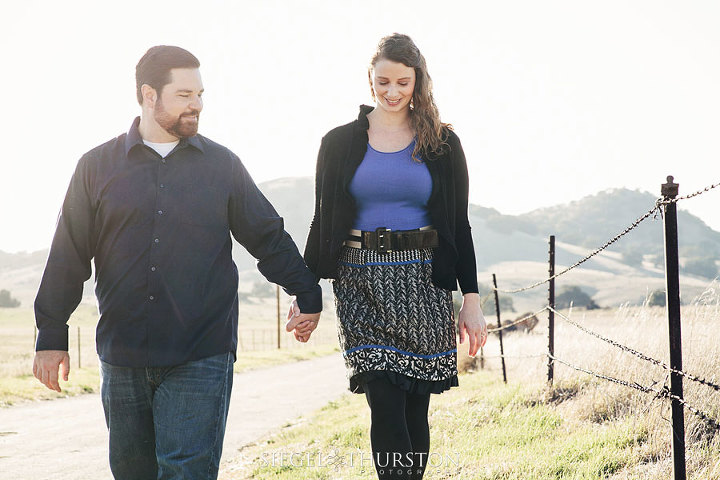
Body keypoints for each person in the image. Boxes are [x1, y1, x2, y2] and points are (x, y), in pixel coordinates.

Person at [32, 45, 321, 480]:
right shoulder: (96, 167)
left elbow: (267, 236)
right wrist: (50, 334)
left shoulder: (222, 166)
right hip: (123, 352)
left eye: (200, 93)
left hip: (200, 351)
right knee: (133, 473)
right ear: (150, 95)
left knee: (186, 473)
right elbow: (69, 254)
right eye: (185, 94)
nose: (198, 104)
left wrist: (307, 291)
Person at [300, 33, 488, 480]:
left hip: (423, 283)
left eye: (402, 82)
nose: (391, 91)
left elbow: (458, 226)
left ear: (417, 81)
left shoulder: (442, 143)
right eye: (383, 81)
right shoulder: (338, 142)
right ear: (370, 79)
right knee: (383, 402)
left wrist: (472, 300)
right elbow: (321, 219)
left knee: (413, 410)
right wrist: (306, 292)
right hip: (359, 279)